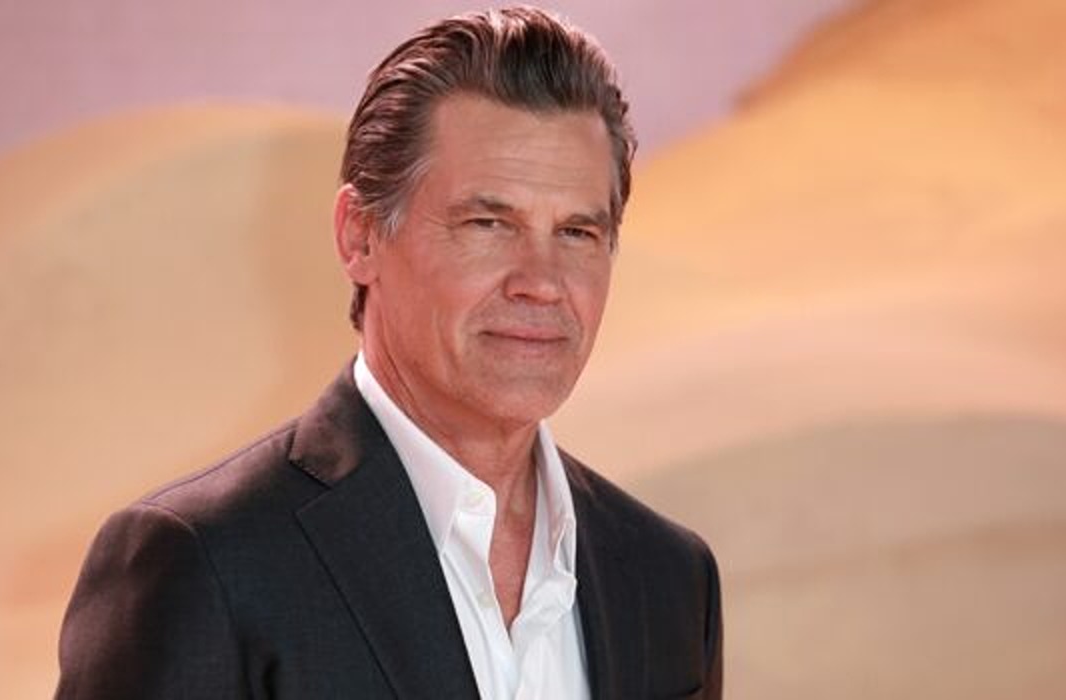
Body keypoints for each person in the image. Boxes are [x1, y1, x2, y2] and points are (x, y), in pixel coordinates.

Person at [54, 7, 721, 699]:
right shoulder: (202, 562)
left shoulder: (671, 580)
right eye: (488, 223)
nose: (542, 283)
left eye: (577, 233)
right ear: (361, 236)